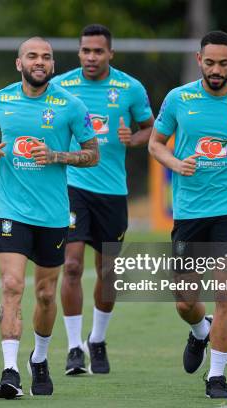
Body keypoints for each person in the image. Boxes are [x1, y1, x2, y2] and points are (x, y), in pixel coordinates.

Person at [148, 30, 227, 399]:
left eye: (223, 63)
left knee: (225, 293)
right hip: (188, 212)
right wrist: (174, 162)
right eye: (209, 62)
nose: (216, 70)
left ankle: (216, 376)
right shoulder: (178, 99)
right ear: (199, 60)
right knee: (184, 300)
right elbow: (155, 144)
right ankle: (200, 330)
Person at [0, 37, 98, 399]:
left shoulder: (70, 105)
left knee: (46, 294)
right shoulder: (0, 99)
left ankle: (40, 359)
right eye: (32, 56)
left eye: (46, 56)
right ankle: (10, 370)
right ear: (19, 63)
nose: (40, 61)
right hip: (11, 210)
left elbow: (93, 154)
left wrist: (59, 156)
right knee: (12, 285)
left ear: (53, 64)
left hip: (53, 214)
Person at [51, 24, 154, 376]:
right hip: (73, 186)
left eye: (98, 51)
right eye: (85, 51)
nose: (91, 57)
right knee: (73, 265)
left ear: (111, 53)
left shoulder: (130, 88)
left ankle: (97, 339)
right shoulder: (61, 86)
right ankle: (74, 347)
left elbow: (151, 129)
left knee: (108, 271)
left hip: (112, 191)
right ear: (78, 53)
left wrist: (133, 138)